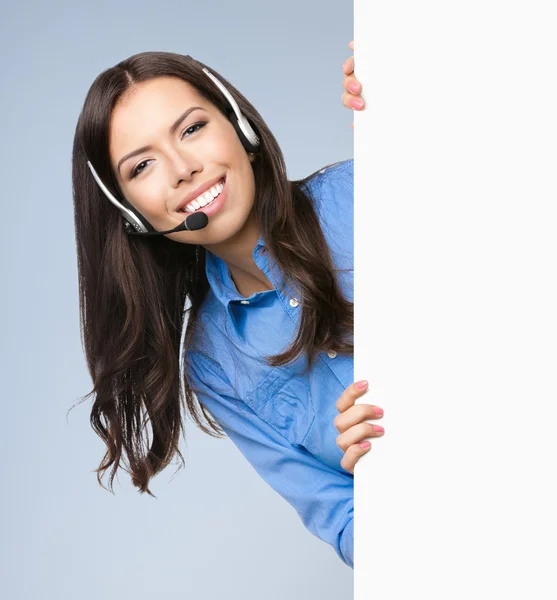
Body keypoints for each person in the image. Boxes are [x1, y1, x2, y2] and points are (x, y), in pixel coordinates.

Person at [71, 41, 384, 569]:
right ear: (131, 213)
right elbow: (347, 525)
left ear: (241, 127)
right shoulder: (214, 361)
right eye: (142, 165)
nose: (182, 169)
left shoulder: (365, 193)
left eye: (192, 129)